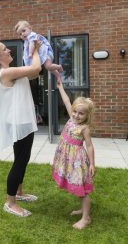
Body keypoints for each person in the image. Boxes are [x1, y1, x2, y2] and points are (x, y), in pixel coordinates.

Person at [0, 41, 41, 217]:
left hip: (21, 121)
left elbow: (34, 73)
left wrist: (33, 54)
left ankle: (19, 193)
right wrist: (35, 49)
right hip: (19, 122)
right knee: (20, 161)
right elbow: (35, 68)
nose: (9, 50)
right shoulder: (6, 72)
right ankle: (10, 202)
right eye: (5, 49)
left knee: (22, 158)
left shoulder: (11, 72)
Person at [52, 79, 95, 229]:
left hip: (78, 160)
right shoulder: (71, 117)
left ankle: (86, 218)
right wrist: (60, 87)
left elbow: (89, 146)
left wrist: (92, 164)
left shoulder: (84, 128)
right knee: (78, 187)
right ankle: (82, 210)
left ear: (87, 115)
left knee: (82, 190)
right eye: (75, 111)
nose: (76, 115)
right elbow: (65, 100)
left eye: (81, 113)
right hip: (68, 158)